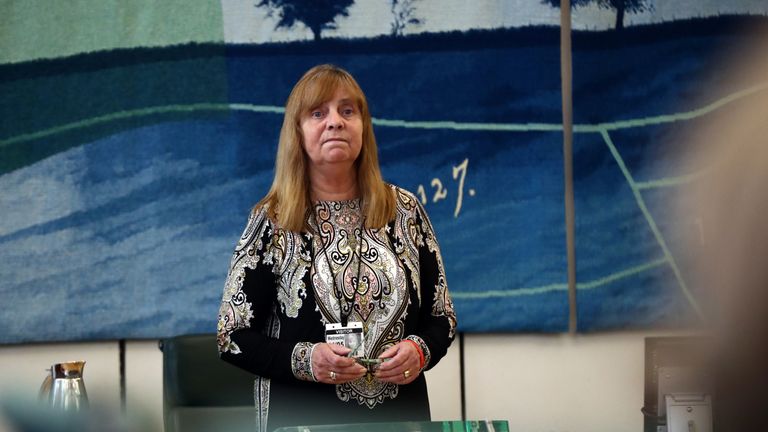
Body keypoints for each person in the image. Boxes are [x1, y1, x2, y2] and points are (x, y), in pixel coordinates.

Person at [217, 64, 457, 431]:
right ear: (297, 132)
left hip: (399, 419)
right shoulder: (273, 220)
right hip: (303, 418)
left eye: (348, 111)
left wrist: (419, 350)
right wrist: (305, 359)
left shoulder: (405, 210)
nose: (335, 122)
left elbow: (443, 317)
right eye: (318, 113)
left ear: (363, 127)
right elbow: (231, 336)